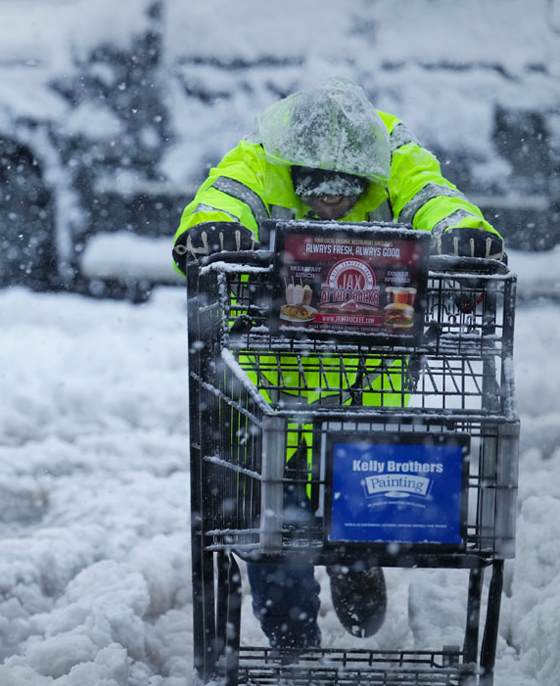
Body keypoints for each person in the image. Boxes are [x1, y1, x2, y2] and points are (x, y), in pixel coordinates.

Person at [172, 77, 505, 651]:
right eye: (315, 186)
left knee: (362, 513)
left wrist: (465, 234)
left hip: (368, 397)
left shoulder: (396, 153)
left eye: (345, 187)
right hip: (273, 398)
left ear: (369, 171)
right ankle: (293, 646)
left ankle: (359, 565)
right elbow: (223, 197)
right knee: (273, 535)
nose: (331, 200)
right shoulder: (259, 157)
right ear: (292, 164)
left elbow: (435, 197)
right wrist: (209, 231)